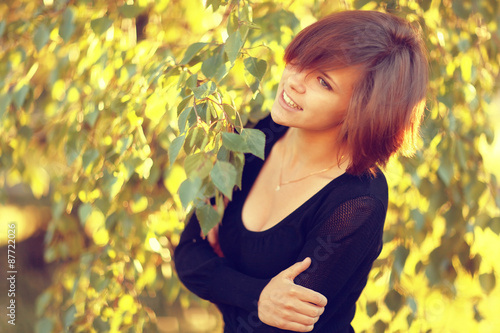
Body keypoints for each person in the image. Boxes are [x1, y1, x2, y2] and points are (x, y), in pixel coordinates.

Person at [174, 10, 428, 332]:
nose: (293, 81)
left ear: (363, 111)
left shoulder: (356, 203)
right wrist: (258, 296)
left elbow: (282, 323)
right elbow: (187, 255)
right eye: (301, 60)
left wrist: (223, 279)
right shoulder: (256, 137)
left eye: (323, 82)